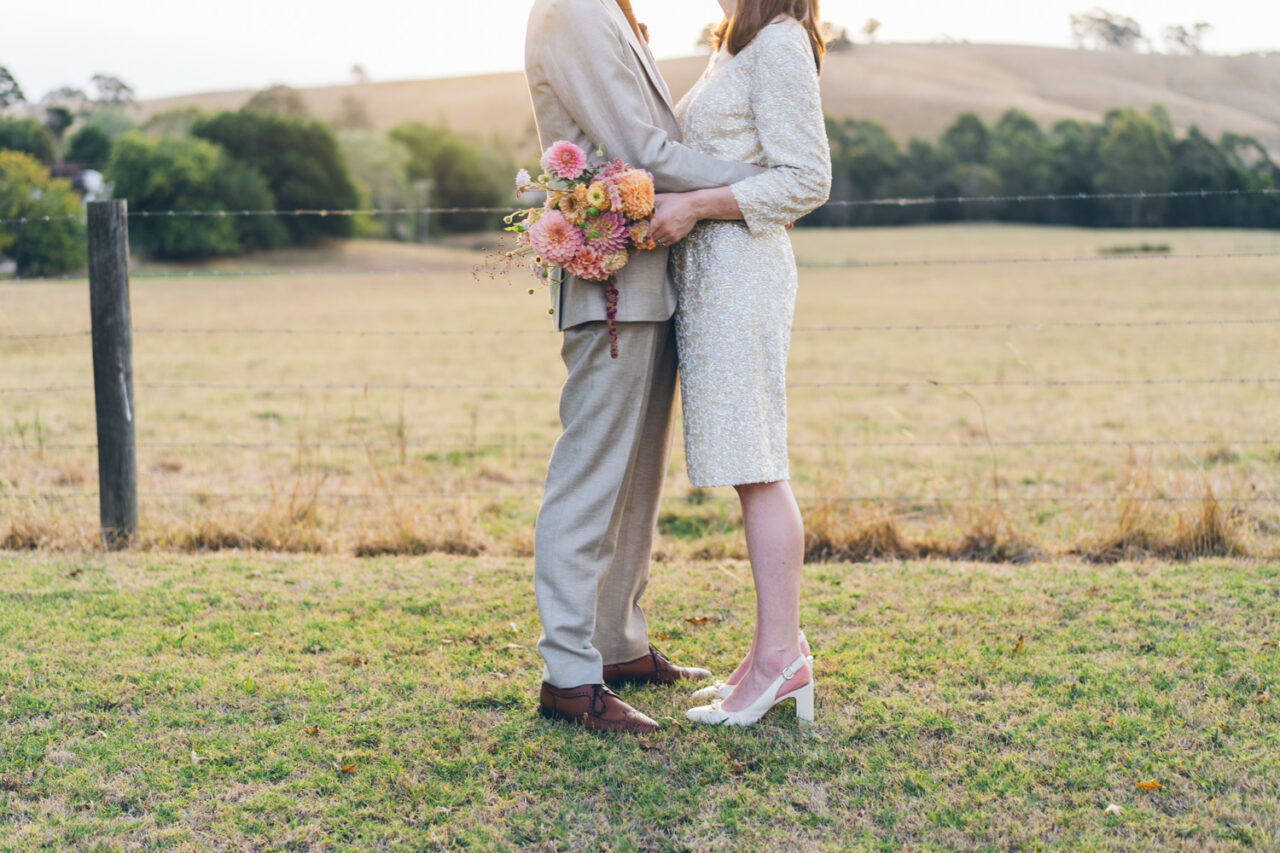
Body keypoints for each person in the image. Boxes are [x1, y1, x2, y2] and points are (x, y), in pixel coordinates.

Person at [524, 0, 766, 734]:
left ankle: (618, 644)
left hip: (648, 279)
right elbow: (641, 148)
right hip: (608, 286)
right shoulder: (571, 9)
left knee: (636, 482)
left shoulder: (612, 8)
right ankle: (569, 675)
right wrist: (757, 180)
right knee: (589, 475)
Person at [648, 0, 832, 726]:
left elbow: (807, 177)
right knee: (747, 461)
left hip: (743, 274)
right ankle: (765, 656)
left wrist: (694, 207)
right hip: (714, 276)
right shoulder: (738, 42)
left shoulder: (781, 42)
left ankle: (782, 662)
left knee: (759, 464)